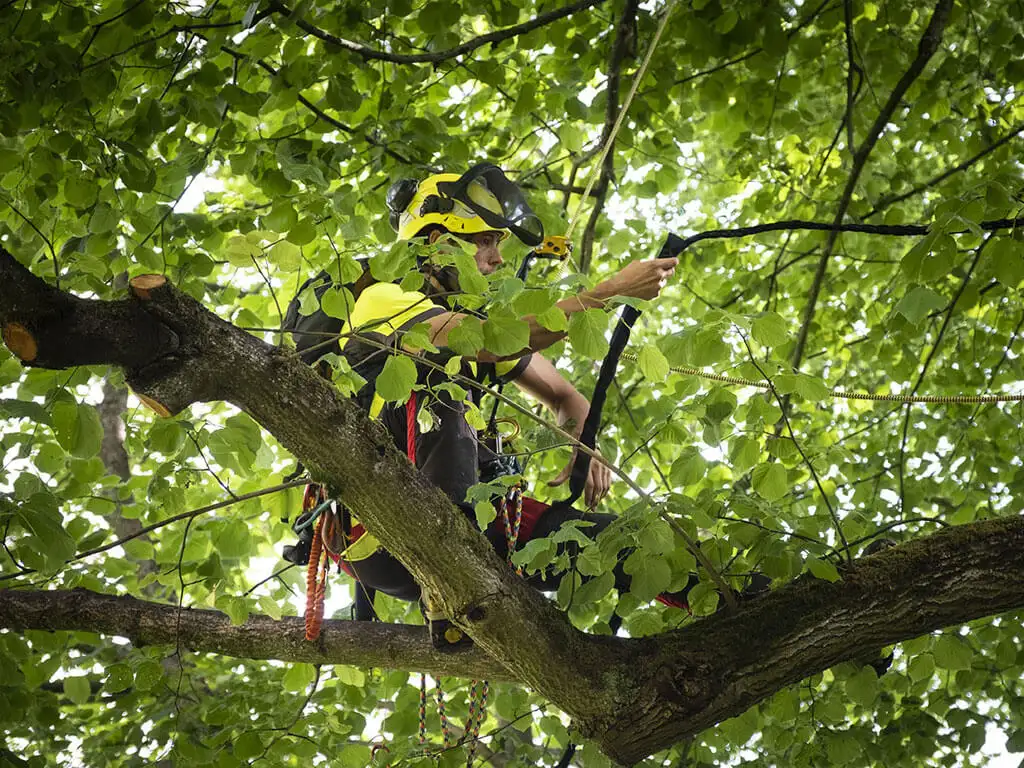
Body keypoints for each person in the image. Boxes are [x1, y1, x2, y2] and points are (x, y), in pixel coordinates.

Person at [293, 165, 686, 644]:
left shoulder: (470, 323)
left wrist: (584, 437)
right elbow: (484, 342)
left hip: (478, 520)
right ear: (437, 241)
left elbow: (565, 394)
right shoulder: (382, 298)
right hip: (376, 520)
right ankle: (446, 567)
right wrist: (607, 292)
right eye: (484, 242)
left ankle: (740, 593)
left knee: (625, 545)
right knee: (443, 388)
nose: (497, 259)